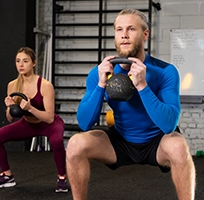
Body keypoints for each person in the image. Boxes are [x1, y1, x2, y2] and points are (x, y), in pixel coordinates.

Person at [68, 9, 194, 200]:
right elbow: (84, 123)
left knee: (178, 146)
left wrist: (142, 85)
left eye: (131, 29)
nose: (124, 35)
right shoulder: (100, 72)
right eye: (119, 29)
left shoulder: (165, 71)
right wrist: (101, 84)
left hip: (156, 142)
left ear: (145, 34)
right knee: (76, 143)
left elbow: (169, 124)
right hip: (120, 141)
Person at [0, 47, 67, 192]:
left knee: (56, 141)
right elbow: (10, 118)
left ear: (34, 63)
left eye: (25, 61)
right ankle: (7, 175)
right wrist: (10, 108)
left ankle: (62, 177)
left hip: (49, 124)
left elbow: (49, 118)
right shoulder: (12, 85)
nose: (21, 65)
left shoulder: (45, 85)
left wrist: (30, 108)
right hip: (28, 124)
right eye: (18, 61)